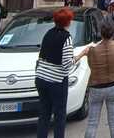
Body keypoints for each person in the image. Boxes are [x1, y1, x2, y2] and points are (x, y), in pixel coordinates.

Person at [36, 8, 90, 138]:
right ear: (67, 22)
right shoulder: (66, 38)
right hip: (56, 81)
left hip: (41, 78)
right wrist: (81, 55)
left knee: (44, 113)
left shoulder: (48, 33)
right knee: (60, 115)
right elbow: (66, 65)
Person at [85, 21, 114, 138]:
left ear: (100, 33)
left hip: (97, 86)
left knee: (92, 122)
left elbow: (90, 64)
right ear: (113, 33)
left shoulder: (92, 50)